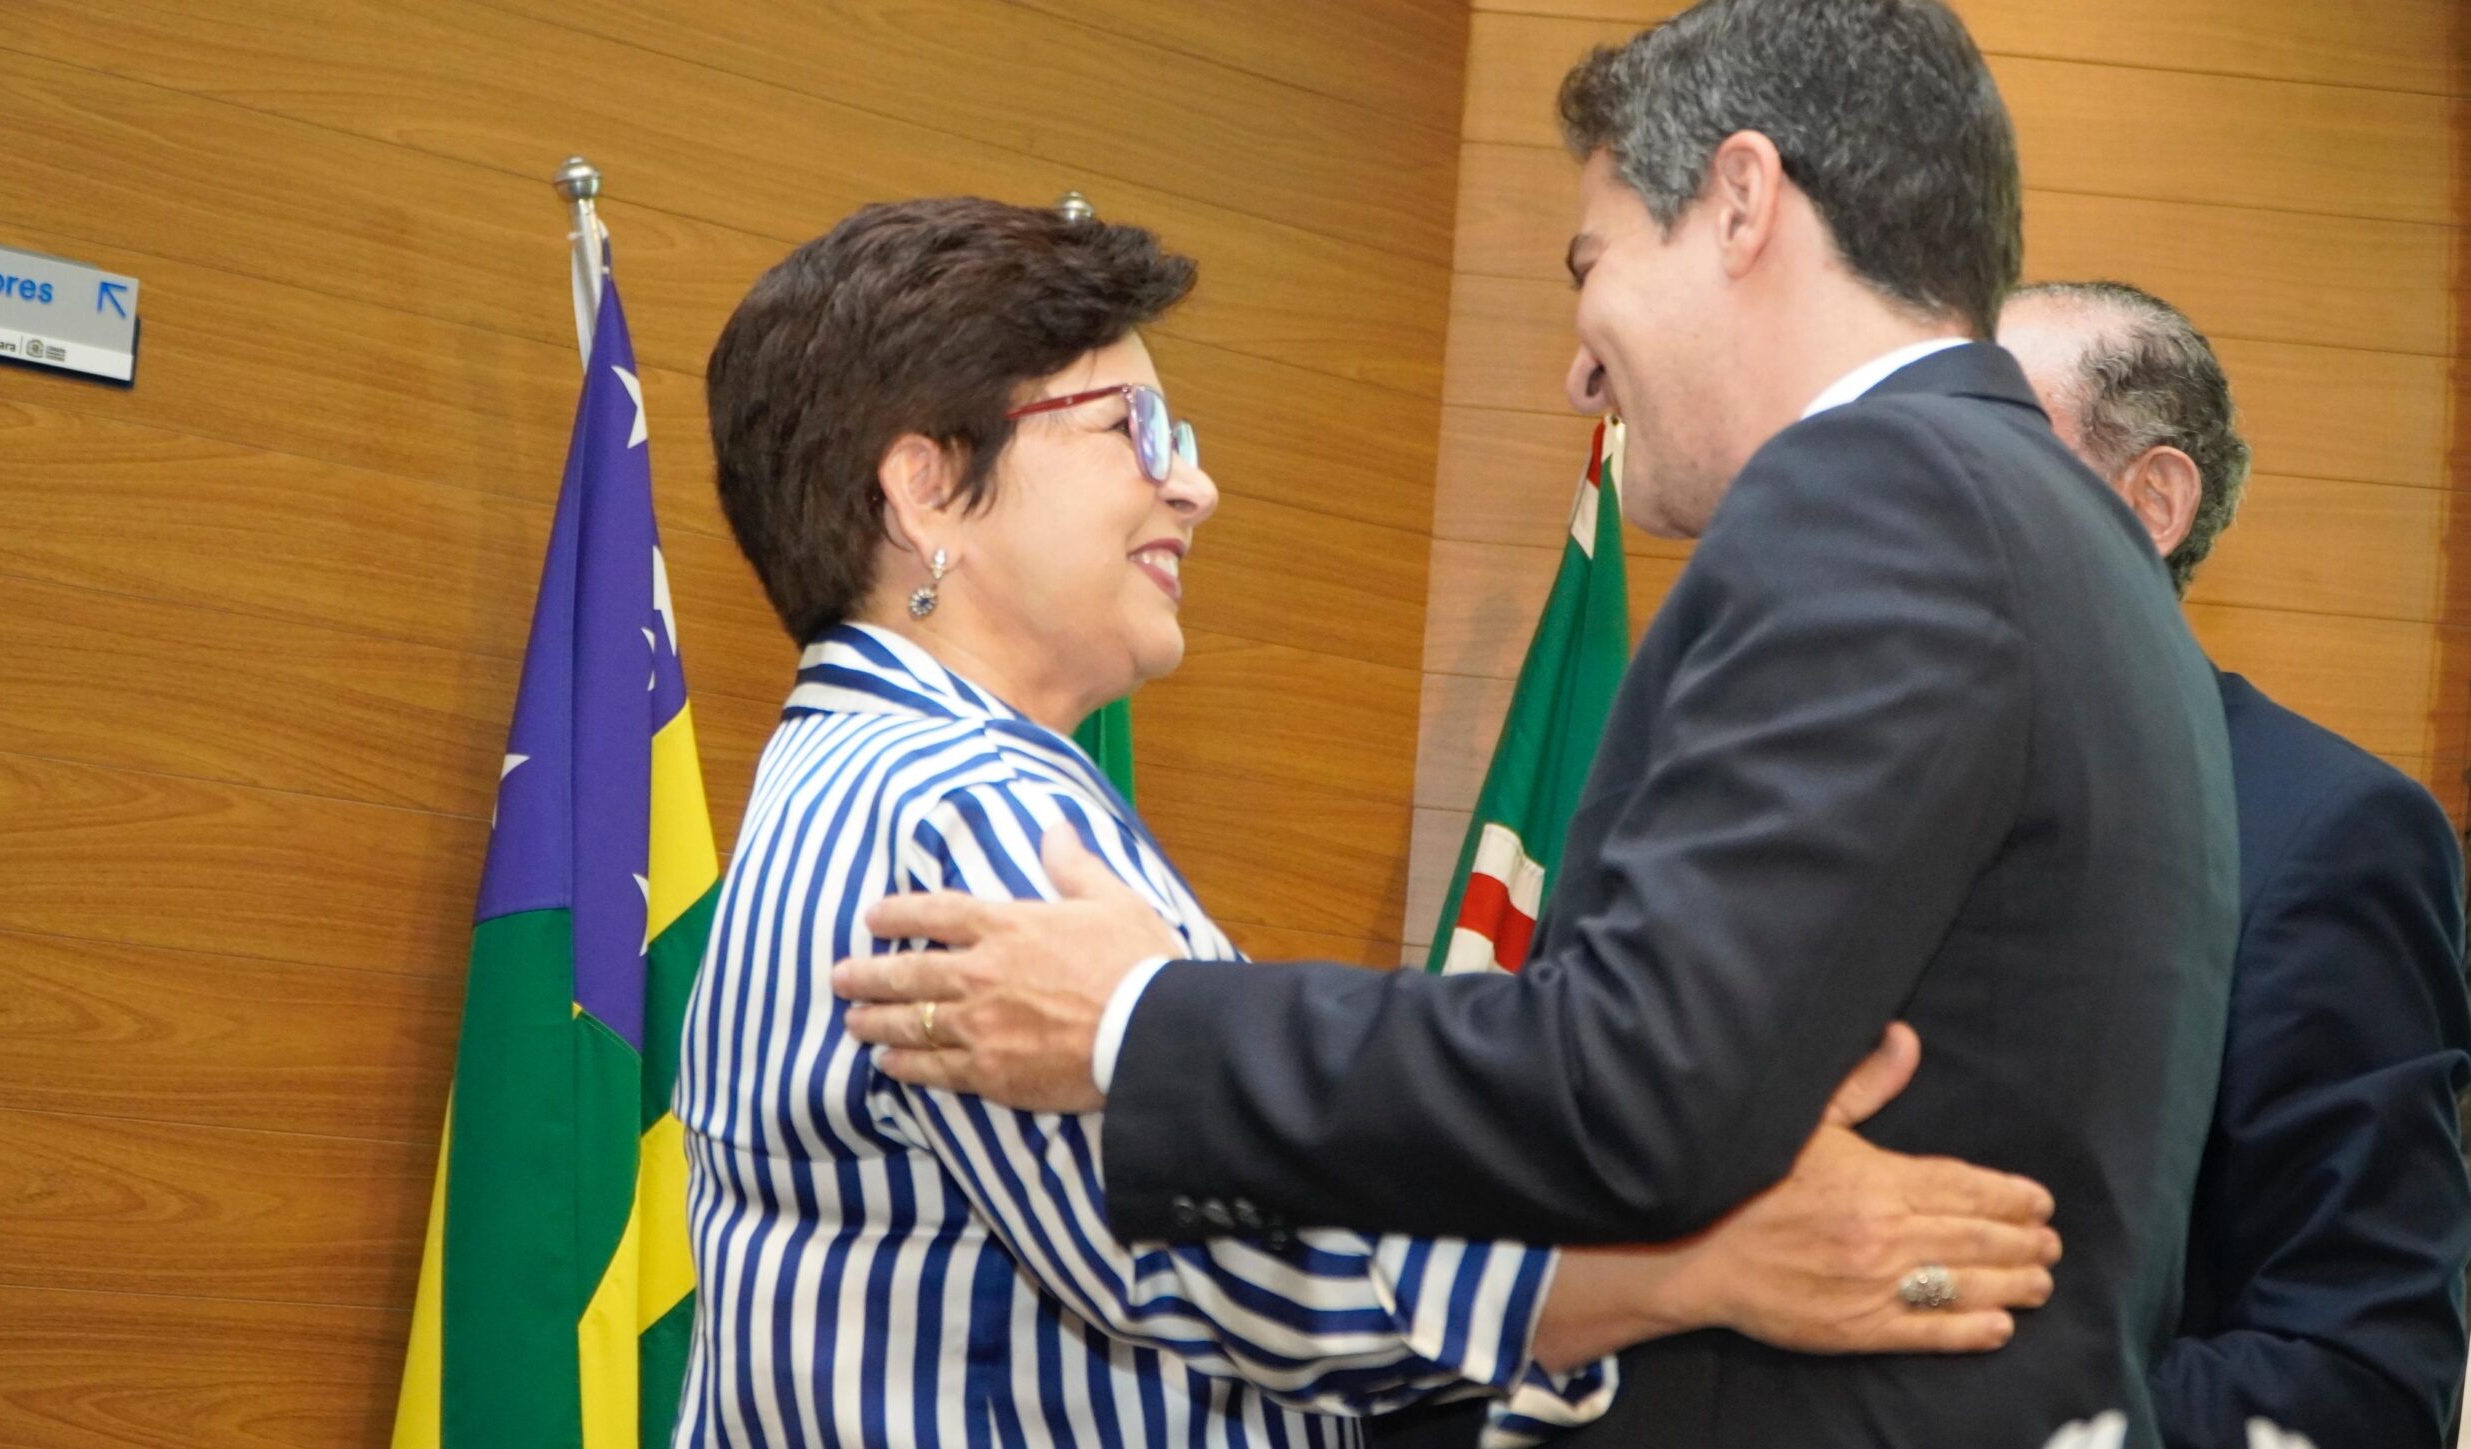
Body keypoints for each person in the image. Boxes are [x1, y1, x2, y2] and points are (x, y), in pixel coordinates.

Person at [830, 2, 2240, 1444]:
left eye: (1592, 263)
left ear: (1741, 202)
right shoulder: (2077, 549)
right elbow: (1724, 1079)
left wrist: (1137, 1017)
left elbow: (1637, 1085)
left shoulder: (1878, 491)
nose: (1580, 370)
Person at [673, 196, 2062, 1448]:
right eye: (1131, 430)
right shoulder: (965, 809)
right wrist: (1700, 1261)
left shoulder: (858, 763)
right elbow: (1247, 1271)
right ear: (926, 486)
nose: (1194, 485)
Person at [1998, 279, 2471, 1449]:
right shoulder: (1863, 795)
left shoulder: (2324, 831)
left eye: (1988, 439)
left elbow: (2358, 1374)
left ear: (2151, 502)